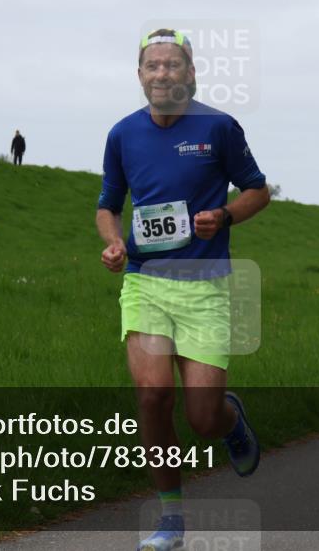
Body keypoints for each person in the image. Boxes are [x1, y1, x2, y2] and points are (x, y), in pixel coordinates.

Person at [96, 29, 270, 551]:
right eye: (153, 65)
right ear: (140, 75)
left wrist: (226, 215)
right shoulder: (122, 134)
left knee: (201, 418)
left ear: (191, 74)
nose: (162, 73)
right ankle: (171, 520)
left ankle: (230, 419)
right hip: (145, 283)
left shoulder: (218, 127)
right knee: (153, 396)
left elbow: (258, 190)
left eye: (173, 65)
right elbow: (108, 204)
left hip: (206, 286)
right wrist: (112, 244)